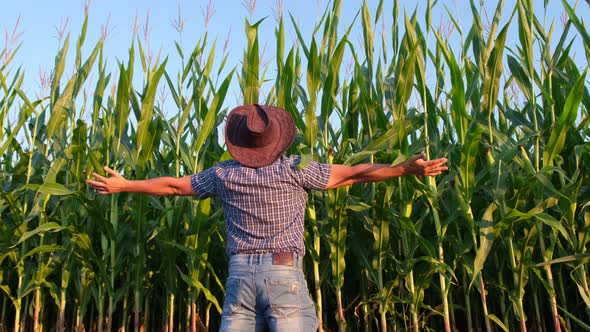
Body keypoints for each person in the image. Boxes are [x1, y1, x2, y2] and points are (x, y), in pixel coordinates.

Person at [86, 104, 448, 331]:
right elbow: (356, 173)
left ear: (240, 143)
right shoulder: (297, 169)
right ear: (279, 140)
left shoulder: (224, 174)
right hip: (283, 275)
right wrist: (403, 169)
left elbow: (174, 187)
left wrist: (125, 184)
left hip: (239, 276)